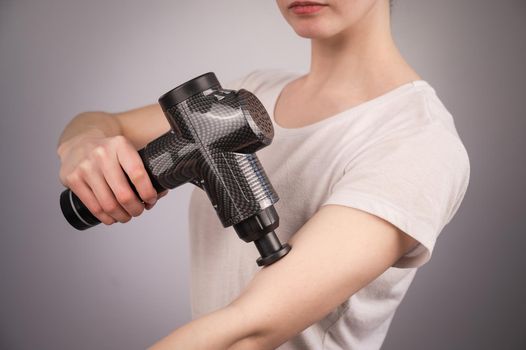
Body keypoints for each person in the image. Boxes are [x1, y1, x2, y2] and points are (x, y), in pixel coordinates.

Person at [56, 0, 471, 349]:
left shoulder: (418, 141)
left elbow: (252, 328)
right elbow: (100, 121)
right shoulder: (252, 93)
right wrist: (83, 144)